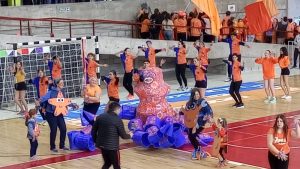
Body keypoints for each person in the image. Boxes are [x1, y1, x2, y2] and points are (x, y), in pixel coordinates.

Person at [92, 102, 133, 169]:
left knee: (107, 163)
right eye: (120, 110)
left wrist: (95, 141)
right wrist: (130, 135)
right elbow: (123, 136)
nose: (120, 111)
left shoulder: (100, 117)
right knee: (116, 165)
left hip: (102, 145)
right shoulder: (117, 119)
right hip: (112, 148)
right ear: (117, 110)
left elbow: (93, 131)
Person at [39, 78, 75, 153]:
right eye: (61, 83)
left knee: (63, 128)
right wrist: (47, 101)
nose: (62, 84)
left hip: (59, 113)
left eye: (63, 83)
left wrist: (72, 105)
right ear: (57, 84)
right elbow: (42, 99)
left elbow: (64, 101)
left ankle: (62, 145)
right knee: (54, 129)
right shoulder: (51, 92)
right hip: (50, 113)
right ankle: (52, 147)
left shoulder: (62, 91)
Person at [182, 88, 213, 160]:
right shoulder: (189, 103)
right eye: (195, 94)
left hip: (200, 122)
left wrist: (209, 117)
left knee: (192, 135)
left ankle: (198, 150)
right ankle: (198, 150)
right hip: (191, 123)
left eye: (198, 94)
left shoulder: (202, 101)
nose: (197, 96)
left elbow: (208, 110)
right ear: (192, 95)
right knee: (191, 136)